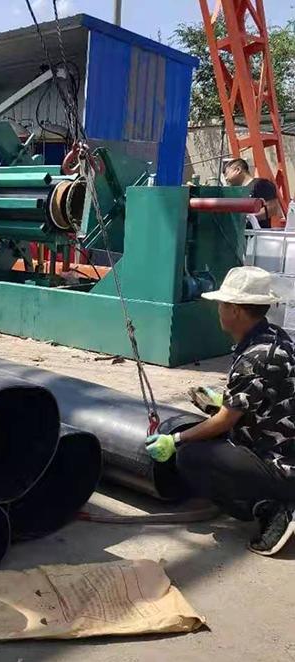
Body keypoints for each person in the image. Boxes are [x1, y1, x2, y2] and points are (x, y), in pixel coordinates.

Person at [145, 266, 295, 556]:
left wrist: (175, 439)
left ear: (236, 310)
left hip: (282, 466)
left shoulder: (254, 358)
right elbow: (266, 398)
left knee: (191, 456)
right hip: (285, 447)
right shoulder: (274, 338)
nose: (219, 311)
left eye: (222, 305)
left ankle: (273, 508)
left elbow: (225, 422)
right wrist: (225, 401)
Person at [223, 158, 281, 229]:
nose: (226, 178)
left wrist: (247, 218)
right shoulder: (235, 192)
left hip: (257, 233)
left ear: (238, 170)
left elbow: (272, 209)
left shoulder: (261, 184)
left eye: (227, 174)